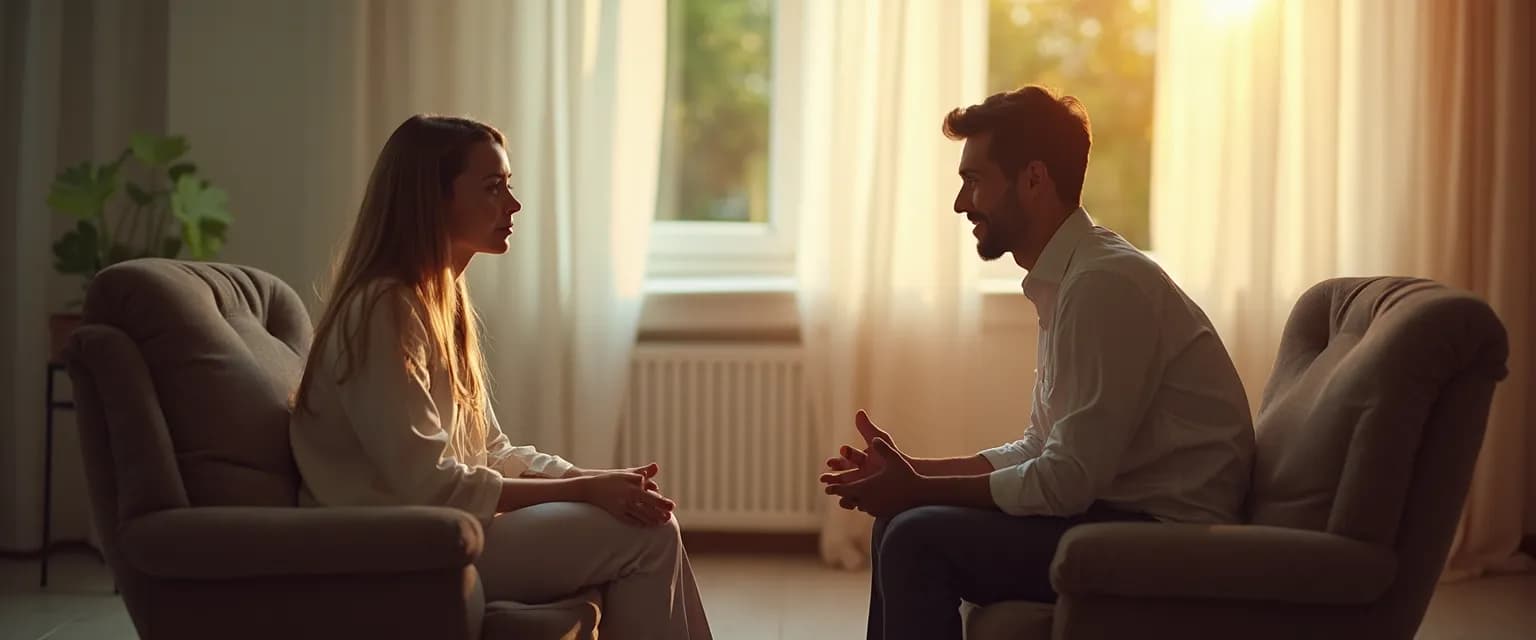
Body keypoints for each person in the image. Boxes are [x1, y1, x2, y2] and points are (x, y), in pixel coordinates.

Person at [821, 85, 1255, 640]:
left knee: (914, 536)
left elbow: (1065, 482)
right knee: (897, 523)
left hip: (1166, 537)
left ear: (1033, 179)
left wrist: (920, 488)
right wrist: (912, 474)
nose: (960, 203)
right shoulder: (1073, 276)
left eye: (973, 181)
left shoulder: (1103, 285)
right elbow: (1041, 449)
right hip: (1119, 514)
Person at [290, 114, 711, 640]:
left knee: (646, 521)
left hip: (449, 532)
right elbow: (429, 484)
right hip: (398, 551)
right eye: (493, 189)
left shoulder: (442, 302)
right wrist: (585, 492)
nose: (512, 206)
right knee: (647, 537)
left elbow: (491, 449)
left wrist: (593, 481)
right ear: (431, 199)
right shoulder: (383, 311)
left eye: (508, 188)